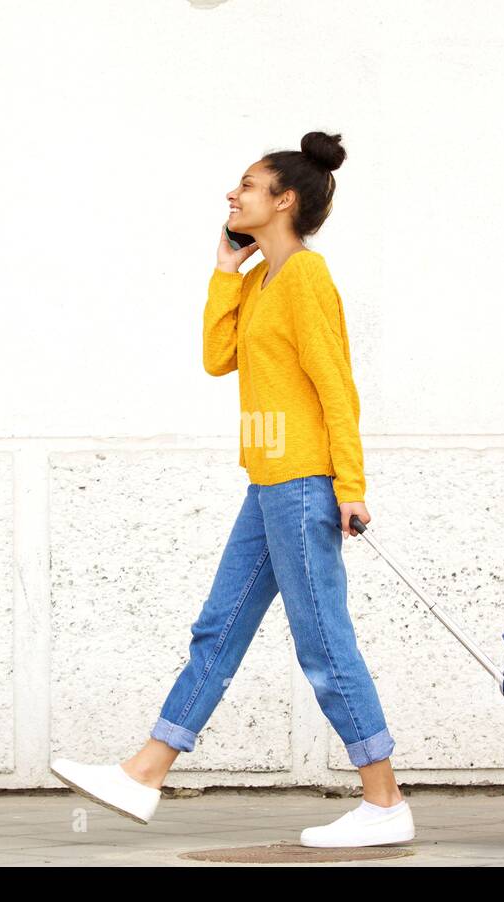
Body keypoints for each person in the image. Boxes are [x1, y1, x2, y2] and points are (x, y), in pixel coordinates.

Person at [51, 131, 412, 848]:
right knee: (219, 628)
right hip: (268, 485)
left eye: (247, 185)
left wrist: (350, 485)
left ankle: (384, 801)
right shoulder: (257, 282)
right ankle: (146, 770)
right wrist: (224, 269)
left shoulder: (308, 278)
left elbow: (337, 386)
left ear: (283, 201)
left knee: (322, 641)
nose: (232, 194)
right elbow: (220, 358)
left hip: (305, 485)